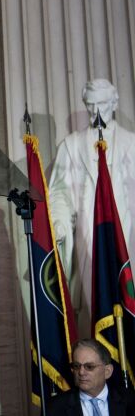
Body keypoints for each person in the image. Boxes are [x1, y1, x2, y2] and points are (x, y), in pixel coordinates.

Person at [48, 79, 135, 332]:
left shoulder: (131, 143)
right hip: (89, 234)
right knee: (94, 301)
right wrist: (59, 224)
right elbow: (59, 195)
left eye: (103, 105)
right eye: (91, 106)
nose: (97, 112)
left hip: (127, 234)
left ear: (115, 103)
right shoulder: (72, 146)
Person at [45, 339, 135, 415]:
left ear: (107, 371)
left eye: (89, 367)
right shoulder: (55, 407)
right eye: (76, 366)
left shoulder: (131, 400)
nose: (81, 372)